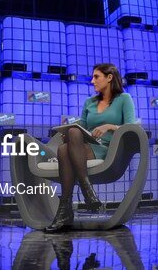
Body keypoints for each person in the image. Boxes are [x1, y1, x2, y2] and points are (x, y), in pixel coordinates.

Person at [47, 63, 136, 232]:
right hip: (88, 148)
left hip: (109, 150)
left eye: (96, 77)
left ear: (109, 78)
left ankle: (66, 210)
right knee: (65, 145)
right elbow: (82, 127)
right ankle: (87, 192)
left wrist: (109, 126)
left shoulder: (124, 99)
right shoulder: (89, 102)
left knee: (64, 151)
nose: (92, 81)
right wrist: (66, 131)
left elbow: (130, 127)